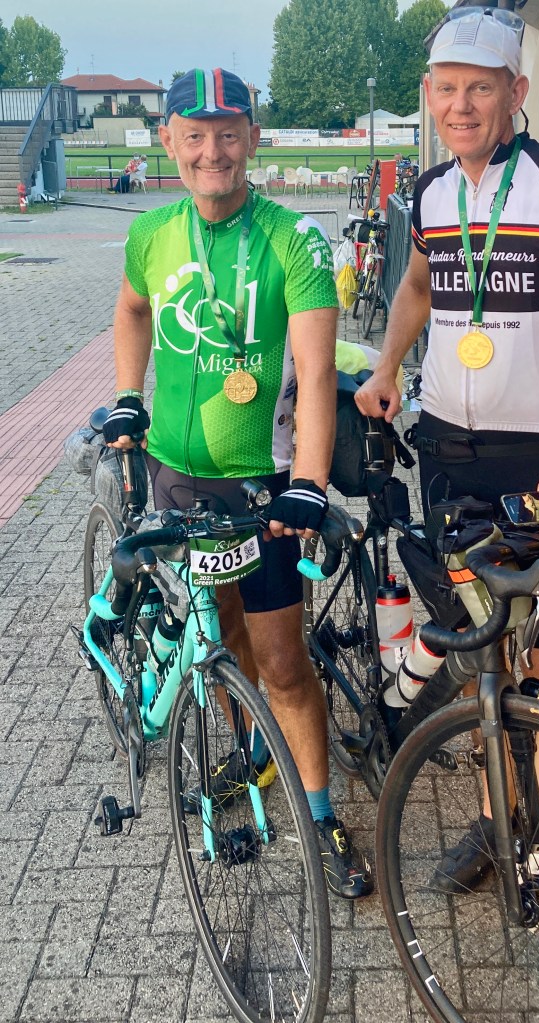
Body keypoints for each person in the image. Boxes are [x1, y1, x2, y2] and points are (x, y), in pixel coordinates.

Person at [355, 7, 539, 990]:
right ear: (430, 97)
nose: (461, 104)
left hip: (538, 466)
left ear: (517, 92)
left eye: (481, 86)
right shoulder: (432, 192)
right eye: (446, 88)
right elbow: (419, 287)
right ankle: (492, 821)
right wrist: (386, 365)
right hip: (446, 455)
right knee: (480, 650)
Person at [102, 67, 373, 901]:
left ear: (252, 139)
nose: (211, 152)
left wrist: (310, 482)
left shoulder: (294, 240)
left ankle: (319, 811)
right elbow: (132, 309)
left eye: (228, 134)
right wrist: (126, 393)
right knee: (216, 636)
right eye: (194, 136)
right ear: (169, 143)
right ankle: (249, 756)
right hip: (176, 476)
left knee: (283, 661)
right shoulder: (152, 233)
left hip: (262, 486)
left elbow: (316, 372)